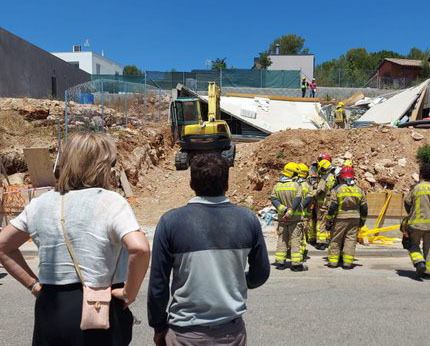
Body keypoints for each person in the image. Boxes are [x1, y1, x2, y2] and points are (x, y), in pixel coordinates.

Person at [0, 132, 150, 346]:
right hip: (100, 308)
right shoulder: (110, 202)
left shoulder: (41, 204)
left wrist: (33, 285)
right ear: (100, 165)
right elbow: (140, 249)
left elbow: (3, 246)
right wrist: (129, 294)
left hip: (51, 307)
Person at [148, 152, 270, 346]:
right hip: (231, 334)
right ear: (227, 185)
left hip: (184, 335)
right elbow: (261, 274)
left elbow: (158, 284)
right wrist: (237, 281)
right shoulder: (247, 220)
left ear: (191, 184)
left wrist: (158, 325)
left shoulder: (170, 222)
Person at [404, 164, 430, 280]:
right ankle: (428, 271)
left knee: (413, 244)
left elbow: (407, 202)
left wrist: (410, 213)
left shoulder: (416, 188)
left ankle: (419, 262)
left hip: (416, 224)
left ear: (420, 174)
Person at [325, 166, 367, 269]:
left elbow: (333, 207)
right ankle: (347, 263)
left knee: (336, 239)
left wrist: (329, 219)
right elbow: (364, 208)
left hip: (340, 218)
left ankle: (333, 262)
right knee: (351, 240)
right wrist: (362, 220)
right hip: (355, 219)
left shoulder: (337, 189)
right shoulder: (359, 190)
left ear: (341, 178)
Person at [270, 162, 305, 271]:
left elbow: (273, 199)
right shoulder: (296, 185)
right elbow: (298, 199)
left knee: (282, 240)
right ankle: (296, 264)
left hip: (282, 219)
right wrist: (290, 212)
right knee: (295, 240)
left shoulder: (277, 186)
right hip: (295, 219)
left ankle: (280, 263)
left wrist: (283, 210)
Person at [296, 163, 316, 261]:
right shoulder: (308, 186)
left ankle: (294, 252)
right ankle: (300, 254)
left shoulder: (294, 184)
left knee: (294, 235)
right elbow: (310, 198)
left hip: (293, 215)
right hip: (305, 215)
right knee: (302, 235)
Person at [315, 159, 336, 250]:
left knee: (321, 223)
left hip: (323, 205)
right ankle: (330, 241)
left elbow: (320, 190)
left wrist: (312, 193)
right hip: (332, 203)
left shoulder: (325, 177)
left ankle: (321, 242)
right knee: (330, 222)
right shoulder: (334, 177)